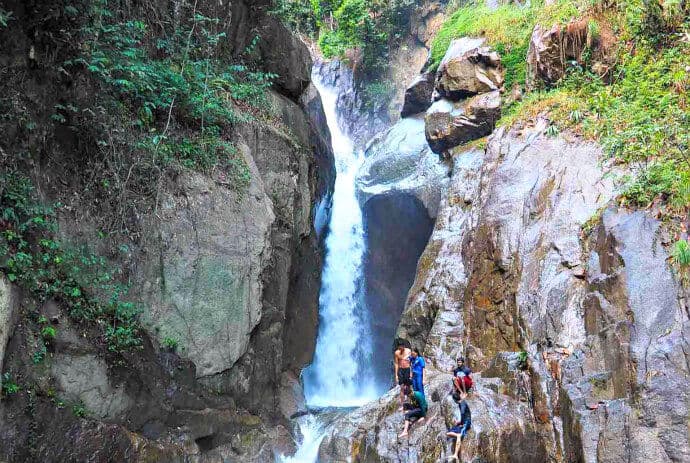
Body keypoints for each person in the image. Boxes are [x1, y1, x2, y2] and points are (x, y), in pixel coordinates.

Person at [446, 392, 471, 461]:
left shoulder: (462, 403)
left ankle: (456, 454)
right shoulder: (461, 402)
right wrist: (460, 422)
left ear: (455, 400)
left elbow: (463, 412)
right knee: (448, 433)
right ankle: (457, 435)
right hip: (463, 422)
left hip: (466, 423)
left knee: (459, 435)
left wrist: (462, 423)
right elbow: (464, 413)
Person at [394, 343, 412, 408]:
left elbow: (411, 362)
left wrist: (411, 372)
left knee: (408, 387)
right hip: (401, 370)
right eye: (399, 347)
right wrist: (396, 375)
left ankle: (410, 402)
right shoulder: (396, 353)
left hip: (407, 369)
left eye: (402, 347)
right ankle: (402, 405)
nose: (401, 349)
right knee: (401, 387)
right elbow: (396, 363)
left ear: (404, 346)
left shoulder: (408, 351)